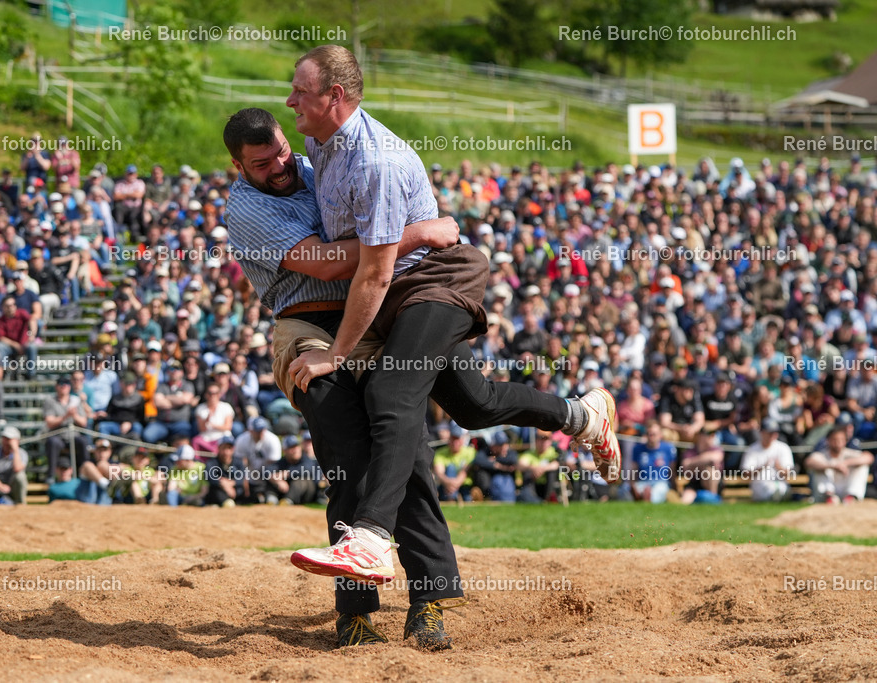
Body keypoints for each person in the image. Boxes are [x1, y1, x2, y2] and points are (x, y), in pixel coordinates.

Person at [222, 104, 617, 649]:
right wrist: (419, 233)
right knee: (349, 457)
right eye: (261, 164)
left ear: (290, 142)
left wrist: (408, 235)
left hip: (381, 309)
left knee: (455, 418)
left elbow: (377, 224)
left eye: (281, 154)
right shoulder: (246, 209)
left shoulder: (319, 165)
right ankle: (355, 612)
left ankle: (429, 603)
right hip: (309, 327)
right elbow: (330, 264)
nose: (278, 168)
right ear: (238, 167)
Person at [277, 48, 619, 589]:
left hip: (433, 282)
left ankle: (370, 538)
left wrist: (335, 355)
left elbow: (374, 273)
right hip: (398, 292)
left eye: (300, 90)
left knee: (391, 391)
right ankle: (583, 416)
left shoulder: (375, 161)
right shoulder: (319, 143)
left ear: (334, 96)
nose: (290, 99)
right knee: (474, 404)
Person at [804, 425, 873, 504]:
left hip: (846, 491)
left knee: (863, 466)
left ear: (845, 441)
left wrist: (845, 463)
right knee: (818, 467)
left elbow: (869, 457)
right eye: (835, 439)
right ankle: (829, 497)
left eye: (841, 439)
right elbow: (808, 462)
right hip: (827, 494)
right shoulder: (821, 455)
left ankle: (851, 497)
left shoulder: (849, 453)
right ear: (828, 440)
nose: (838, 442)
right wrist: (833, 466)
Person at [740, 418, 795, 502]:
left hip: (779, 482)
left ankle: (781, 496)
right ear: (762, 432)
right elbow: (746, 473)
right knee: (769, 489)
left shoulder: (783, 448)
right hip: (759, 484)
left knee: (780, 488)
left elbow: (788, 473)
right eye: (770, 433)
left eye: (775, 432)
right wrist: (762, 467)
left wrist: (779, 467)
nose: (773, 435)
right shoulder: (752, 449)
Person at [631, 421, 676, 504]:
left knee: (658, 491)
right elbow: (634, 469)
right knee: (626, 489)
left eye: (654, 434)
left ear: (660, 435)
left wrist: (674, 487)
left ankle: (645, 497)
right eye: (649, 434)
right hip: (643, 481)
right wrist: (632, 484)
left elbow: (672, 470)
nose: (651, 437)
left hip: (661, 482)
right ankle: (642, 495)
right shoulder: (638, 449)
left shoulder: (668, 448)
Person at [204, 436, 253, 507]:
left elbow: (242, 477)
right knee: (215, 490)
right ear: (219, 448)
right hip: (219, 491)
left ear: (233, 449)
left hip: (235, 490)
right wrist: (223, 485)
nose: (226, 452)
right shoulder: (212, 462)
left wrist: (231, 483)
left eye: (229, 448)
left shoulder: (238, 462)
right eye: (223, 448)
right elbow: (210, 476)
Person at [432, 423, 476, 502]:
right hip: (445, 487)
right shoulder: (440, 453)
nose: (455, 442)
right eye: (453, 439)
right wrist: (449, 483)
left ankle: (452, 498)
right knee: (450, 468)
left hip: (464, 486)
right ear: (449, 439)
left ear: (462, 440)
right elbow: (439, 473)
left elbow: (465, 472)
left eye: (457, 439)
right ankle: (452, 498)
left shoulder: (470, 452)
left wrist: (454, 484)